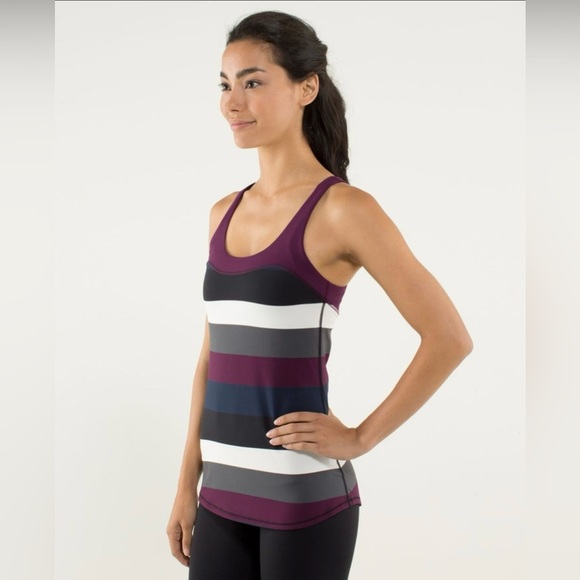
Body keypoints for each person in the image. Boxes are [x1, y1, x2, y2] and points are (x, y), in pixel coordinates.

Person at [166, 10, 473, 580]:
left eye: (253, 82)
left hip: (301, 500)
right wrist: (188, 485)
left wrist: (360, 437)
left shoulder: (343, 210)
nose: (233, 102)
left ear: (306, 87)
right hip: (220, 499)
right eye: (226, 85)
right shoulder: (222, 213)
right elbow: (212, 358)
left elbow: (449, 338)